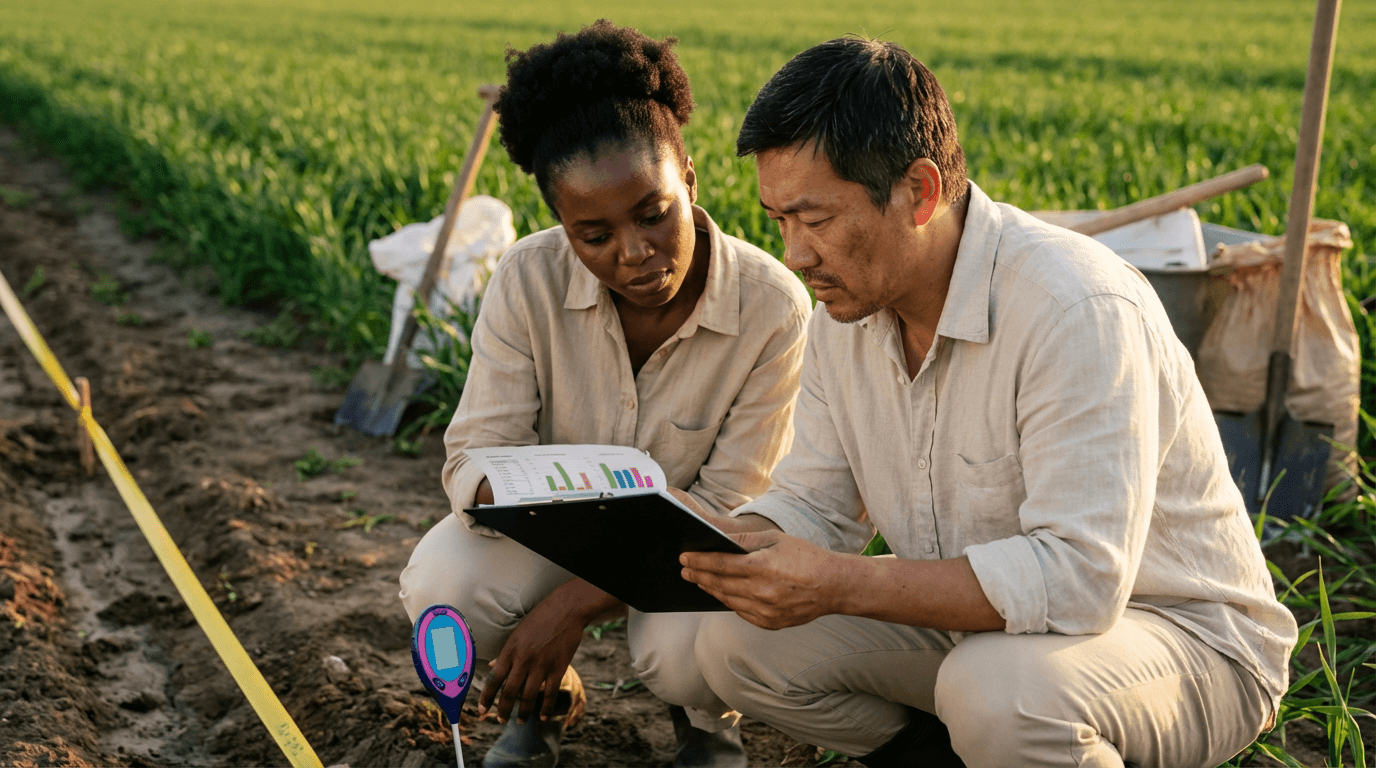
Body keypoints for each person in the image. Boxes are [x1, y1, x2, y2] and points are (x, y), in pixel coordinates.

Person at [677, 37, 1299, 768]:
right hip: (992, 633)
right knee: (732, 644)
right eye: (779, 220)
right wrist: (720, 538)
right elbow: (816, 502)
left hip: (1178, 638)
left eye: (816, 221)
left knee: (997, 694)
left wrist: (844, 582)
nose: (795, 254)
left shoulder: (1074, 309)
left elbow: (1079, 579)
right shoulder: (843, 320)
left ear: (920, 191)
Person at [398, 20, 811, 768]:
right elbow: (472, 454)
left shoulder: (772, 306)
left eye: (653, 214)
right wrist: (507, 486)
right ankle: (543, 701)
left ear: (688, 178)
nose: (633, 252)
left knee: (685, 648)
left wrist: (571, 607)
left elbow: (731, 501)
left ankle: (705, 719)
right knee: (444, 584)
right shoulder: (527, 279)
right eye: (592, 234)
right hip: (551, 527)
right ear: (562, 226)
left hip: (687, 549)